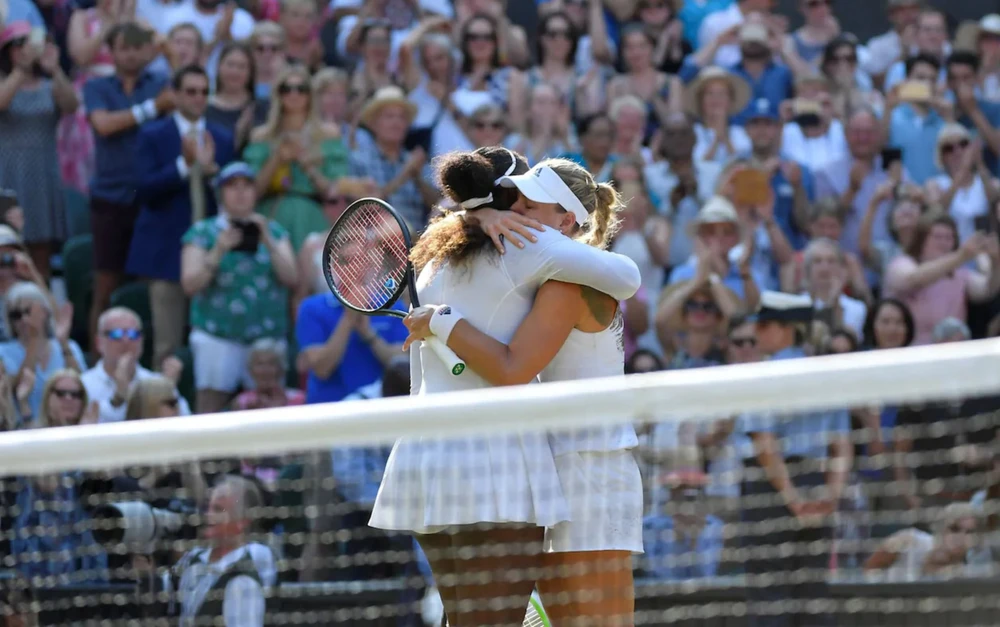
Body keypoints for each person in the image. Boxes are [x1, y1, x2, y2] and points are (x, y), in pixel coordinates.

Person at [369, 147, 641, 627]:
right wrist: (480, 216)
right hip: (521, 467)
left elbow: (512, 365)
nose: (515, 211)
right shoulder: (519, 254)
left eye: (528, 204)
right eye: (512, 201)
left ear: (566, 221)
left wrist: (442, 319)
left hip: (585, 465)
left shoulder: (523, 264)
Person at [739, 291, 853, 627]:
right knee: (813, 597)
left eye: (764, 324)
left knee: (769, 601)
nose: (756, 332)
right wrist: (830, 497)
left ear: (787, 328)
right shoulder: (828, 376)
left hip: (771, 492)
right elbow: (843, 446)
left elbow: (765, 445)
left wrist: (793, 499)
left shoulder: (762, 375)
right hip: (815, 485)